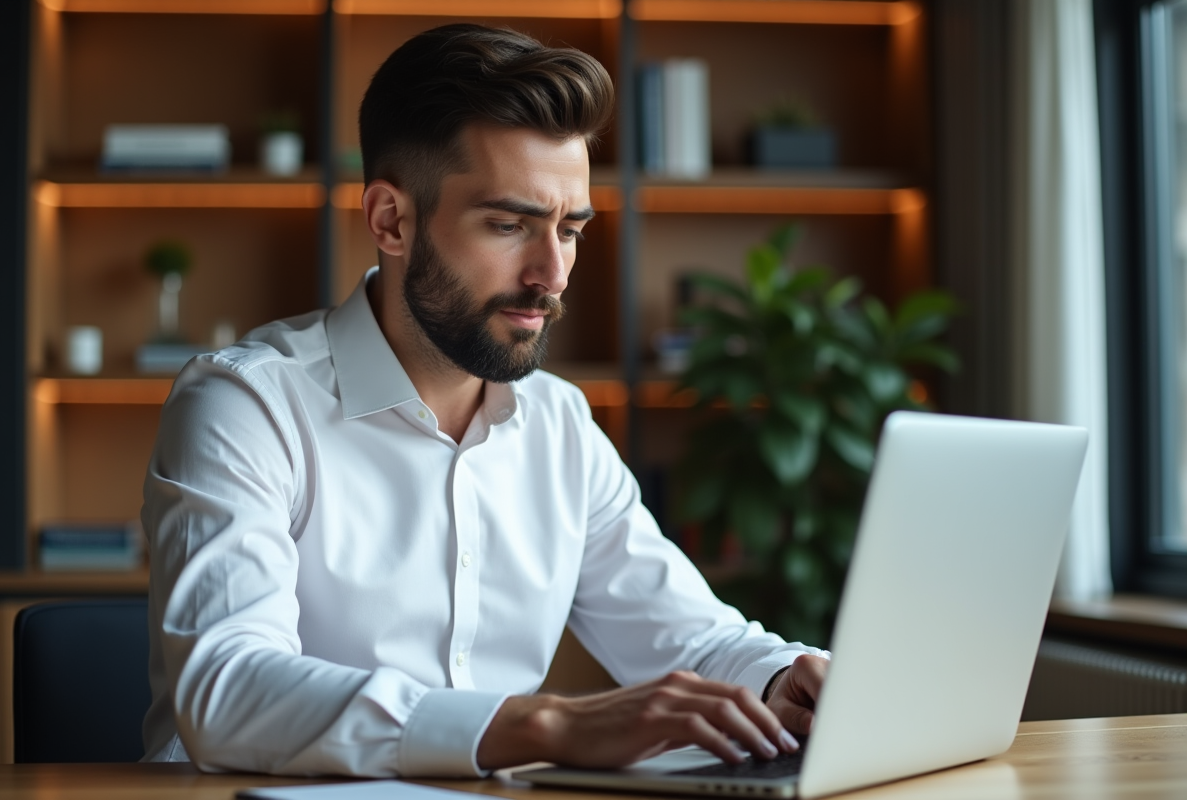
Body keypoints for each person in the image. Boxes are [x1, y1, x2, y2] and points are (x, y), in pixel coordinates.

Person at [141, 23, 829, 778]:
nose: (553, 274)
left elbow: (689, 640)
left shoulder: (559, 423)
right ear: (390, 220)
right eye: (509, 225)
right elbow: (227, 691)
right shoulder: (246, 404)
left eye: (570, 229)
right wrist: (544, 725)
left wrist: (785, 677)